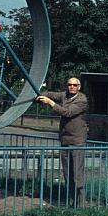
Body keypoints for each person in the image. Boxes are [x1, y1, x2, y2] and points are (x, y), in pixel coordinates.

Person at [37, 77, 88, 208]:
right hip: (65, 140)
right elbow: (50, 94)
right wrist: (39, 95)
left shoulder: (82, 100)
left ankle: (81, 205)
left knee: (77, 174)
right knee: (67, 174)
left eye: (75, 85)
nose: (72, 87)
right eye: (70, 85)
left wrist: (50, 103)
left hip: (77, 142)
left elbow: (67, 112)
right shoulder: (64, 95)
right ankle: (72, 201)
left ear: (79, 87)